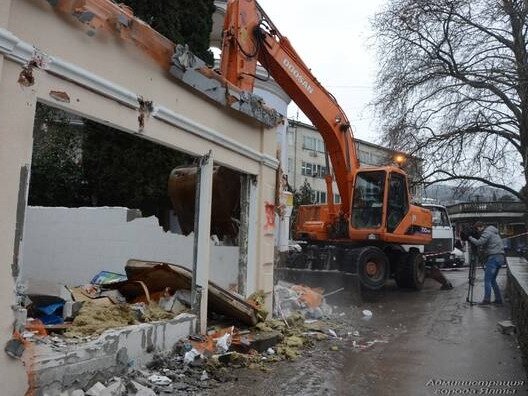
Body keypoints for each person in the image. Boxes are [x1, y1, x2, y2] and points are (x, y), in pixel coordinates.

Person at [468, 221, 505, 305]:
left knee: (487, 280)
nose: (478, 231)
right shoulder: (493, 231)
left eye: (477, 229)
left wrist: (469, 237)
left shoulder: (487, 232)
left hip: (494, 257)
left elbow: (479, 242)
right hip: (500, 257)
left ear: (480, 227)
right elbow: (486, 245)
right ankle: (498, 300)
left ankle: (486, 300)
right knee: (492, 280)